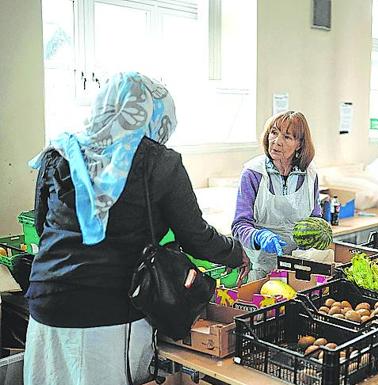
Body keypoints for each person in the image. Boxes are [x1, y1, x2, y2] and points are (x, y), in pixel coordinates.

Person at [23, 72, 250, 385]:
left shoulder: (60, 152)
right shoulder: (159, 163)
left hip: (46, 304)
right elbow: (195, 236)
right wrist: (236, 253)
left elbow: (41, 223)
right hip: (108, 314)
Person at [232, 111, 320, 281]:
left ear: (299, 145)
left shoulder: (310, 174)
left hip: (298, 267)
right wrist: (258, 236)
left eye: (287, 137)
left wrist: (315, 238)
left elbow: (315, 219)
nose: (276, 141)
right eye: (274, 133)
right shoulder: (253, 173)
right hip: (260, 267)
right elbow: (239, 225)